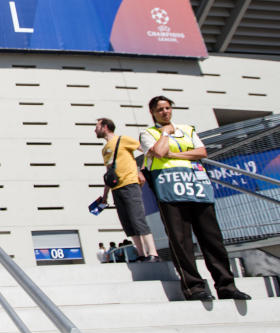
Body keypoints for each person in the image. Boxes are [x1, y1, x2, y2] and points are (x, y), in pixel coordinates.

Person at [140, 95, 250, 302]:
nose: (165, 112)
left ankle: (226, 285)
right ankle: (194, 287)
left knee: (212, 239)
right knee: (181, 241)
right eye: (160, 109)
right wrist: (165, 134)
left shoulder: (188, 130)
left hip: (197, 187)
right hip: (169, 189)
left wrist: (174, 156)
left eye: (167, 108)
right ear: (152, 113)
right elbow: (159, 151)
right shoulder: (147, 134)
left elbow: (201, 152)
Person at [94, 118, 159, 262]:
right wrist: (105, 196)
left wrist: (141, 170)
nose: (94, 130)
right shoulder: (105, 150)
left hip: (130, 184)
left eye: (97, 126)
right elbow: (108, 173)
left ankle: (153, 252)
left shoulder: (123, 140)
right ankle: (141, 254)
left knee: (138, 218)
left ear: (105, 127)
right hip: (116, 187)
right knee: (127, 222)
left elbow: (146, 151)